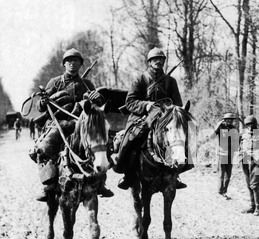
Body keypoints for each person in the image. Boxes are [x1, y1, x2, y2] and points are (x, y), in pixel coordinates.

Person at [32, 48, 114, 201]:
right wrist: (43, 102)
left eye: (76, 61)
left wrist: (98, 98)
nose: (72, 63)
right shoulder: (55, 82)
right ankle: (48, 184)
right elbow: (40, 105)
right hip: (59, 122)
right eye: (69, 61)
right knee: (46, 148)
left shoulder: (87, 83)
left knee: (102, 141)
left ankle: (101, 181)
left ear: (80, 64)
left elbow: (96, 105)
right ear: (64, 64)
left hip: (81, 122)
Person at [113, 47, 188, 190]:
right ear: (149, 62)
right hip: (141, 117)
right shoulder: (140, 78)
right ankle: (127, 173)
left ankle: (176, 173)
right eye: (155, 59)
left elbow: (177, 103)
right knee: (132, 138)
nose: (158, 61)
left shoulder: (170, 81)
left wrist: (170, 110)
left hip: (165, 118)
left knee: (182, 135)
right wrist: (146, 105)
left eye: (161, 59)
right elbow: (130, 102)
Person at [239, 115, 259, 217]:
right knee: (248, 184)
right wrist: (240, 153)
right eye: (248, 124)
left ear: (255, 124)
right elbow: (240, 146)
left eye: (251, 124)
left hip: (257, 163)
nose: (250, 126)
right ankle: (252, 206)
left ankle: (258, 208)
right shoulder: (243, 134)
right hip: (245, 162)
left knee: (255, 185)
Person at [214, 112, 239, 199]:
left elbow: (236, 140)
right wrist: (219, 124)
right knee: (221, 174)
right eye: (228, 119)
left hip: (230, 154)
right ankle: (220, 192)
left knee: (228, 174)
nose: (230, 121)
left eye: (231, 120)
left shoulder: (233, 129)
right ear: (224, 120)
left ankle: (224, 191)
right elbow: (212, 135)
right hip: (221, 154)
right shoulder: (220, 127)